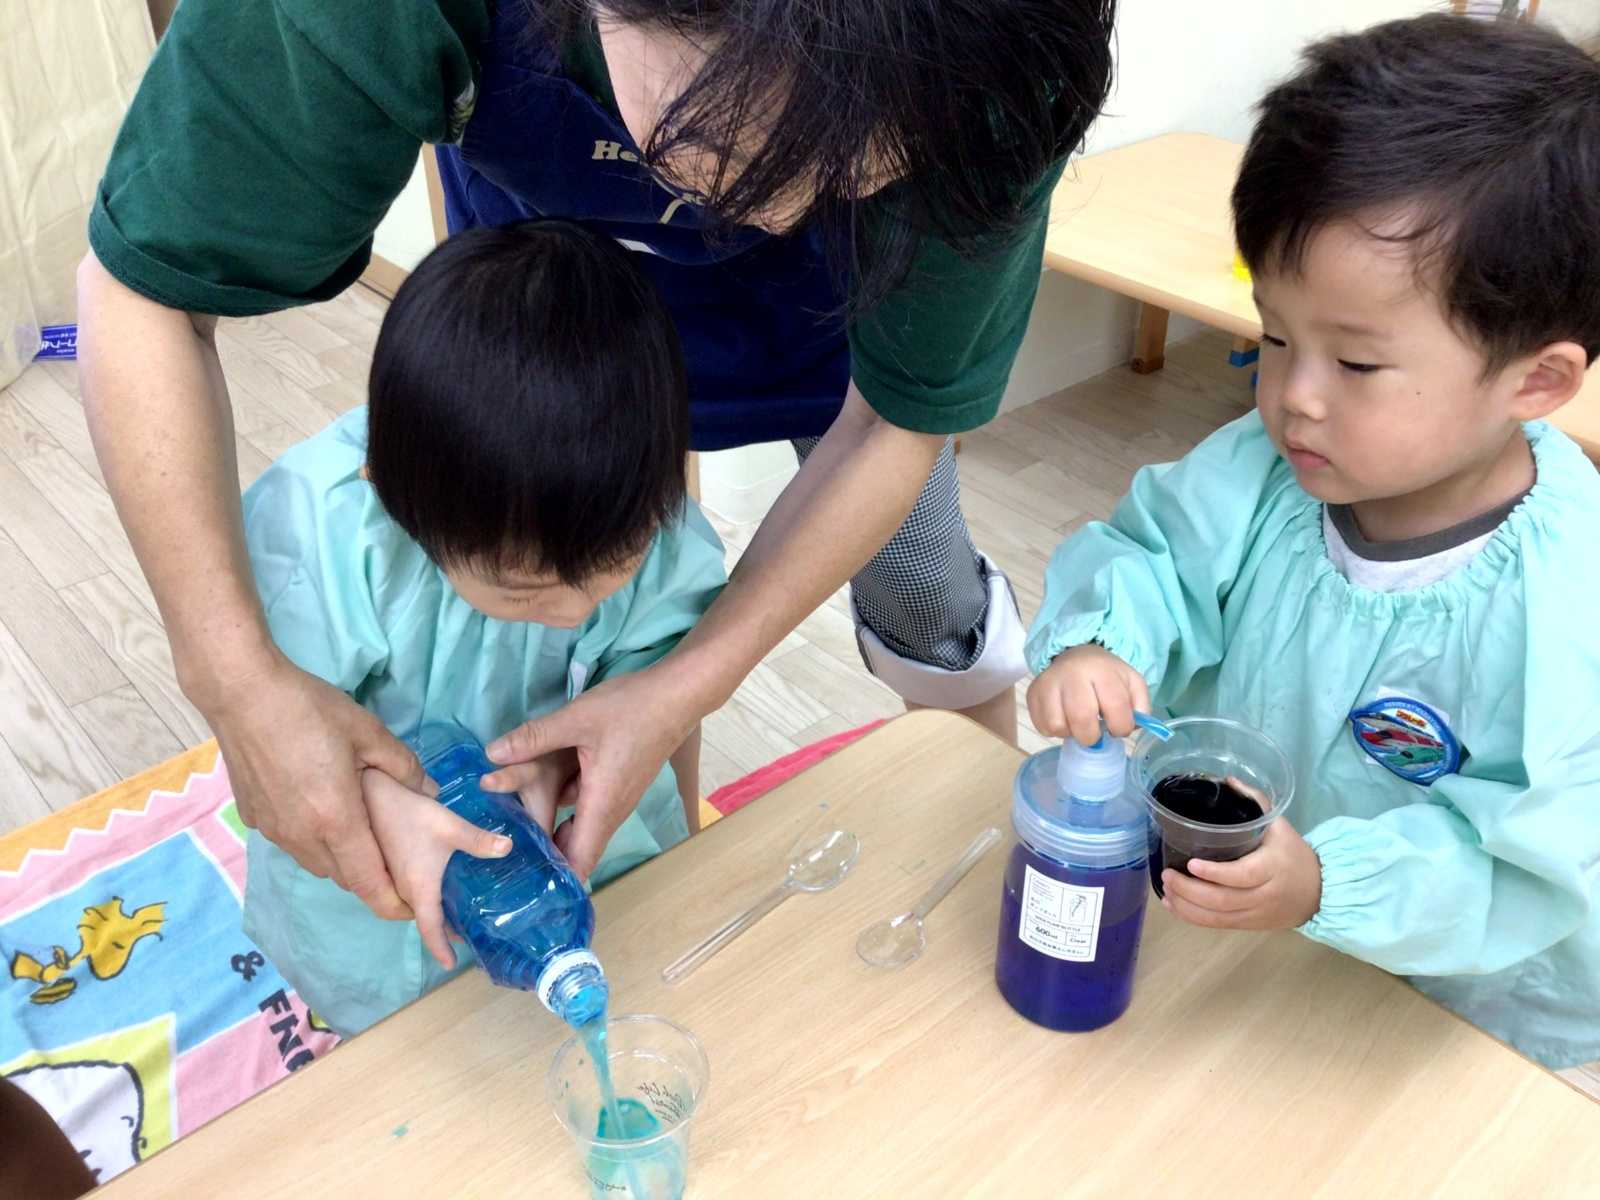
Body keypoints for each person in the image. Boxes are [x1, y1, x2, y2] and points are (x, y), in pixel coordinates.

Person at [76, 0, 1116, 903]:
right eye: (750, 152)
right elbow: (142, 291)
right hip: (569, 300)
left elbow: (899, 420)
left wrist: (688, 683)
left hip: (836, 325)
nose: (783, 207)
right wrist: (237, 679)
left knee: (916, 591)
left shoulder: (1003, 56)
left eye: (861, 165)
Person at [1023, 14, 1600, 1068]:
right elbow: (1154, 557)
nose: (1292, 399)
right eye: (1274, 337)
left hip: (1444, 997)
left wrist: (1331, 885)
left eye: (1358, 365)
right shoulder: (1258, 471)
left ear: (1537, 381)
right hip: (1241, 933)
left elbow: (1534, 857)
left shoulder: (1571, 605)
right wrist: (1098, 644)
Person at [239, 219, 725, 1033]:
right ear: (399, 504)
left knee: (624, 990)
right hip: (384, 903)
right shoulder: (327, 540)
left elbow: (668, 684)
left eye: (616, 563)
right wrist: (374, 808)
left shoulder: (654, 522)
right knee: (410, 1052)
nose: (575, 612)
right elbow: (274, 739)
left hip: (573, 854)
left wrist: (573, 761)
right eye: (524, 590)